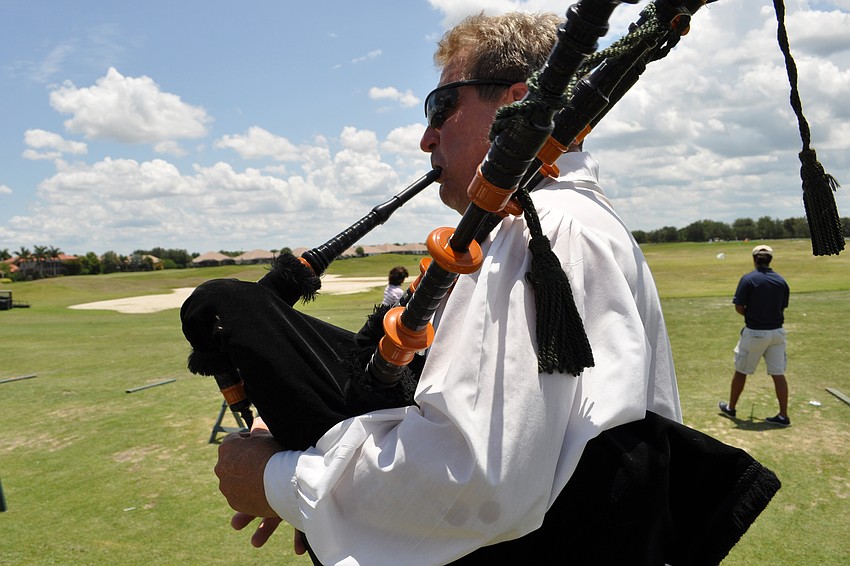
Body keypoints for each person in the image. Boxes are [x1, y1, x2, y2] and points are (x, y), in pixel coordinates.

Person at [210, 12, 778, 565]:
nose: (426, 138)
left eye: (442, 106)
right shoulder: (563, 218)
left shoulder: (541, 229)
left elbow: (473, 480)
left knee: (219, 306)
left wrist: (276, 478)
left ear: (515, 102)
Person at [719, 244, 791, 426]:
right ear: (770, 260)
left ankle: (731, 408)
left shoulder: (748, 279)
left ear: (754, 259)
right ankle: (783, 416)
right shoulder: (781, 281)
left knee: (741, 370)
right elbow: (782, 307)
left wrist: (752, 315)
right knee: (778, 373)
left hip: (755, 333)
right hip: (777, 333)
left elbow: (739, 307)